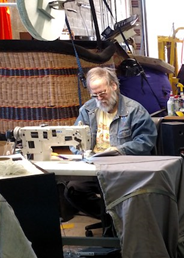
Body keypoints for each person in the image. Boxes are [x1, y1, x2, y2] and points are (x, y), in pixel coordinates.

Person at [64, 66, 157, 227]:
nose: (99, 99)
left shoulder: (134, 110)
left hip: (123, 169)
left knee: (120, 193)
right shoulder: (88, 110)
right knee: (73, 190)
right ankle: (113, 220)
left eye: (102, 93)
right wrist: (80, 151)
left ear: (114, 86)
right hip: (94, 167)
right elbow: (74, 138)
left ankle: (118, 223)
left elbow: (146, 141)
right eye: (95, 95)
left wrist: (119, 150)